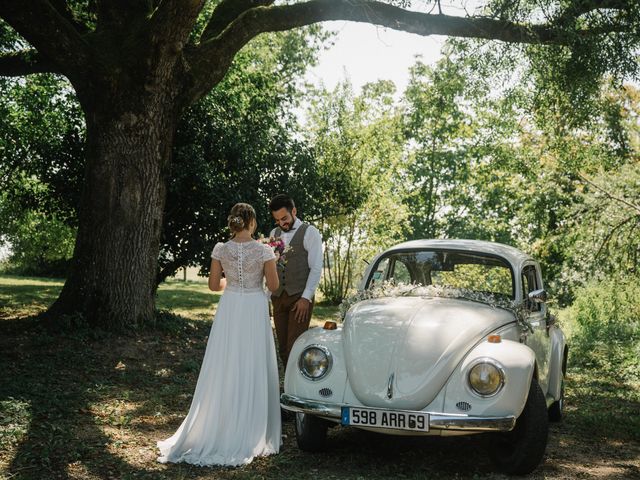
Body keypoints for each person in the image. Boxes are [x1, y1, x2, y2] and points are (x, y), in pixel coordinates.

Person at [157, 203, 281, 467]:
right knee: (251, 361)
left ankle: (220, 423)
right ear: (252, 222)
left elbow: (214, 285)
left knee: (226, 363)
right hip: (253, 308)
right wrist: (273, 264)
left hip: (230, 308)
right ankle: (249, 426)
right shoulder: (264, 250)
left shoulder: (220, 249)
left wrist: (232, 282)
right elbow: (273, 285)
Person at [269, 194, 323, 368]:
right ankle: (289, 385)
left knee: (295, 346)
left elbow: (316, 267)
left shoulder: (310, 232)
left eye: (284, 218)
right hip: (278, 297)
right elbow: (272, 267)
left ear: (294, 211)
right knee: (283, 348)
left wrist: (306, 298)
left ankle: (296, 388)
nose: (281, 223)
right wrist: (269, 295)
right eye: (277, 220)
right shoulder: (273, 233)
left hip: (299, 297)